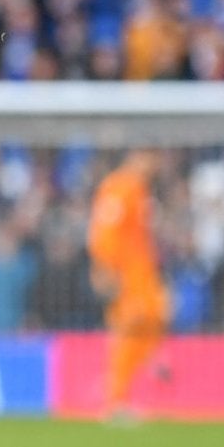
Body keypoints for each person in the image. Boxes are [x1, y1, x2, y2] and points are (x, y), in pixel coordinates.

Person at [89, 149, 171, 419]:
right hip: (125, 274)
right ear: (138, 156)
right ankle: (116, 400)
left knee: (156, 314)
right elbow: (105, 229)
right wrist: (105, 267)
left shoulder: (139, 188)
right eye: (152, 159)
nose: (155, 166)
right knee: (129, 329)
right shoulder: (119, 186)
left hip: (142, 273)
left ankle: (143, 364)